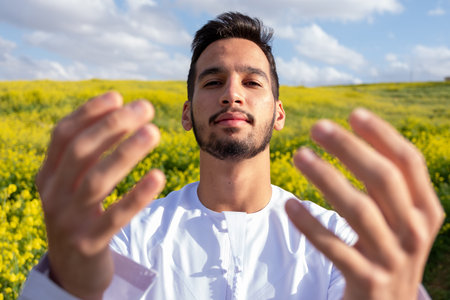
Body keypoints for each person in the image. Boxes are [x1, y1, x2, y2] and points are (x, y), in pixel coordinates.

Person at [20, 12, 443, 299]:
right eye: (213, 81)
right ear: (187, 113)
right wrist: (65, 286)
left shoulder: (341, 241)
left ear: (278, 114)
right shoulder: (131, 237)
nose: (232, 93)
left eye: (253, 82)